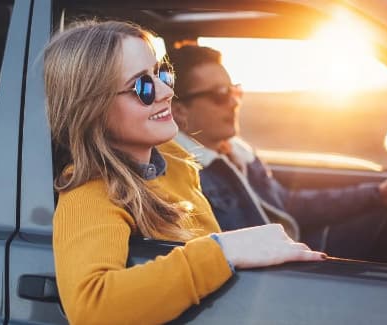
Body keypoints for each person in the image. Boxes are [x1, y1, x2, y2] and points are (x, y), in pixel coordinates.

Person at [44, 21, 326, 325]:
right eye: (143, 87)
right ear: (94, 109)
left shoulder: (175, 161)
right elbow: (91, 306)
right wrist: (224, 251)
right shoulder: (91, 192)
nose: (167, 92)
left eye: (161, 74)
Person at [168, 45, 387, 258]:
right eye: (220, 94)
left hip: (292, 250)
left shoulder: (236, 152)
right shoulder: (184, 176)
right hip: (276, 271)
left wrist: (376, 195)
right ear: (180, 111)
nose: (234, 102)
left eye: (234, 91)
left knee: (382, 223)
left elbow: (286, 204)